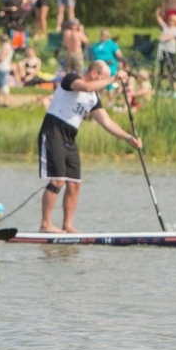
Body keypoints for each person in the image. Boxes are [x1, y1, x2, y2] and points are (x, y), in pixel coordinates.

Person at [37, 60, 141, 233]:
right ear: (94, 73)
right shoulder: (72, 79)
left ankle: (67, 224)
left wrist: (128, 137)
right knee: (57, 181)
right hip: (53, 132)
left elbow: (106, 121)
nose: (106, 85)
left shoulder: (93, 98)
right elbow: (85, 87)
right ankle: (45, 224)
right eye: (103, 79)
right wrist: (114, 78)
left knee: (75, 183)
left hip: (70, 138)